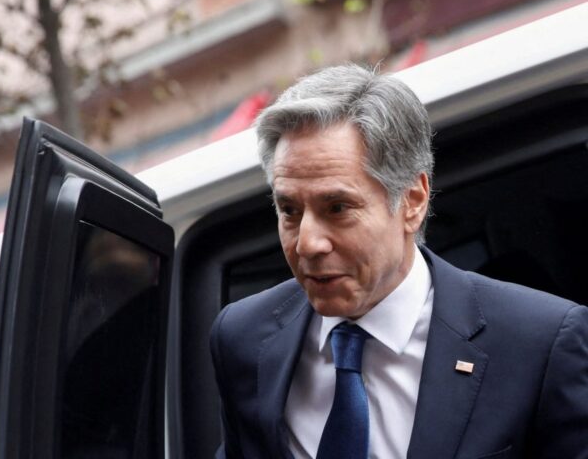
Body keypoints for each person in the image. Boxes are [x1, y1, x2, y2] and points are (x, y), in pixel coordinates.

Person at [209, 64, 588, 459]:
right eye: (289, 210)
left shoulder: (539, 344)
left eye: (337, 208)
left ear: (413, 201)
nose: (307, 243)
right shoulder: (244, 337)